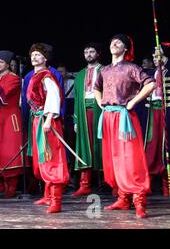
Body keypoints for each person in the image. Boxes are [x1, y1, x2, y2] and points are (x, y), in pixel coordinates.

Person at [94, 34, 155, 218]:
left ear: (126, 48)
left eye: (119, 42)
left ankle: (139, 200)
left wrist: (132, 102)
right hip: (108, 116)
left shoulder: (131, 68)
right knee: (113, 157)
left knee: (130, 157)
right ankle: (122, 197)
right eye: (112, 41)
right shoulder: (104, 70)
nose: (114, 44)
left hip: (124, 116)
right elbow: (97, 88)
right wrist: (100, 103)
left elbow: (150, 84)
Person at [26, 44, 69, 214]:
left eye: (38, 55)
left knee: (52, 158)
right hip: (38, 119)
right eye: (33, 55)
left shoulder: (46, 76)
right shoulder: (35, 76)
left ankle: (56, 201)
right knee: (42, 158)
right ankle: (47, 195)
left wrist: (49, 119)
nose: (34, 57)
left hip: (46, 120)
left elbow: (53, 97)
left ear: (45, 59)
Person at [0, 50, 23, 198]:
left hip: (8, 118)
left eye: (1, 62)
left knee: (9, 150)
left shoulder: (13, 79)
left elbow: (0, 94)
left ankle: (11, 185)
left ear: (8, 64)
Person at [72, 43, 103, 196]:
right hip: (83, 113)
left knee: (103, 145)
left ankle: (111, 183)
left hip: (101, 111)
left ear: (98, 54)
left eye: (92, 51)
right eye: (86, 52)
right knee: (85, 146)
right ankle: (85, 184)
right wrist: (76, 121)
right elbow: (77, 98)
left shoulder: (105, 70)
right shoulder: (79, 75)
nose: (89, 54)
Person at [144, 46, 169, 196]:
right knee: (151, 145)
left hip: (165, 112)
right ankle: (148, 183)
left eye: (158, 56)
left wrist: (164, 59)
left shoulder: (167, 72)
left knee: (165, 146)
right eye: (153, 57)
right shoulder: (150, 74)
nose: (155, 59)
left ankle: (167, 184)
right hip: (152, 113)